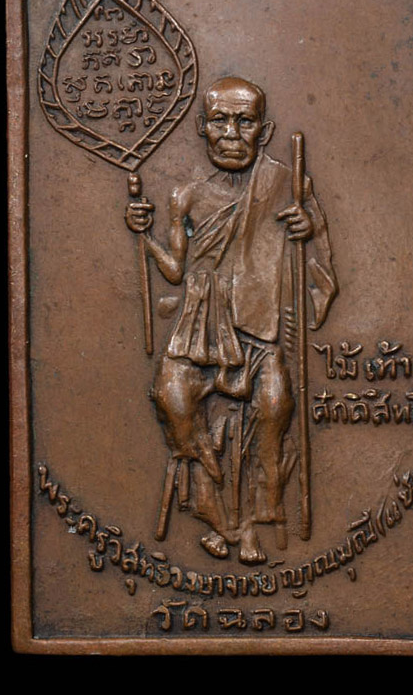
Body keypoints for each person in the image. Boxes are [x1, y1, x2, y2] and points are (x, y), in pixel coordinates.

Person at [125, 77, 337, 563]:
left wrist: (309, 230)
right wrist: (144, 236)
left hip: (258, 334)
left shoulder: (287, 185)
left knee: (276, 402)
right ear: (202, 127)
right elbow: (174, 271)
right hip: (199, 331)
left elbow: (321, 268)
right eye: (220, 120)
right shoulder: (186, 196)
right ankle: (217, 510)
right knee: (171, 395)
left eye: (245, 121)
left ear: (265, 130)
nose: (231, 133)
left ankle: (258, 517)